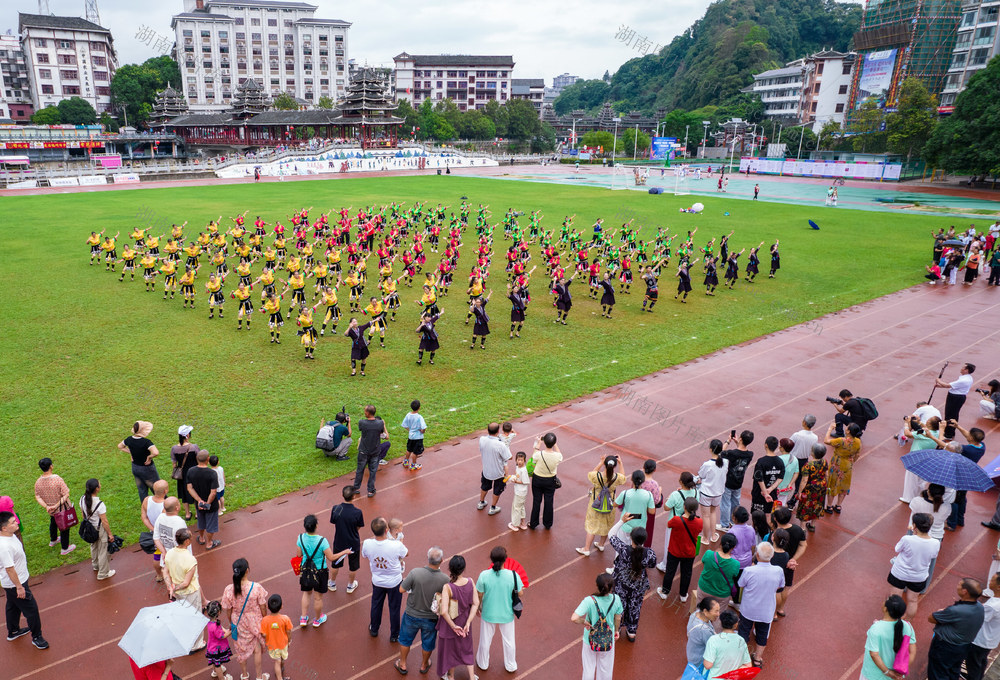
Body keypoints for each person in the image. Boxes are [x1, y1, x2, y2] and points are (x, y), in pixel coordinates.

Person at [396, 546, 449, 675]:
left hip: (411, 614)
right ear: (442, 560)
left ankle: (403, 664)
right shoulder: (445, 579)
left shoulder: (415, 573)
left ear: (428, 558)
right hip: (431, 618)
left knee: (405, 640)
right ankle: (424, 664)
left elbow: (401, 589)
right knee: (428, 643)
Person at [0, 511, 48, 650]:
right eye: (13, 522)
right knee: (31, 610)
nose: (17, 523)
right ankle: (37, 637)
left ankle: (13, 631)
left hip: (14, 583)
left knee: (12, 606)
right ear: (4, 528)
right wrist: (19, 587)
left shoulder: (10, 536)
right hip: (16, 584)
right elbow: (10, 569)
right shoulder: (4, 547)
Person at [296, 514, 351, 627]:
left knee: (306, 593)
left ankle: (303, 618)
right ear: (316, 526)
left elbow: (299, 554)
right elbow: (331, 557)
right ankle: (317, 620)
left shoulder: (300, 538)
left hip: (306, 570)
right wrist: (344, 552)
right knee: (318, 597)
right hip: (320, 571)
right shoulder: (322, 541)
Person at [736, 542, 784, 668]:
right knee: (762, 634)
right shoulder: (778, 571)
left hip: (748, 609)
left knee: (743, 631)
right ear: (772, 555)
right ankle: (757, 659)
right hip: (766, 610)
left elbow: (741, 584)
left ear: (757, 555)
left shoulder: (749, 570)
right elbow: (780, 586)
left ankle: (741, 657)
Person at [475, 546, 523, 673]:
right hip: (507, 613)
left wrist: (478, 607)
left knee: (485, 640)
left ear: (491, 559)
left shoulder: (484, 575)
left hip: (488, 612)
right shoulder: (513, 575)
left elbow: (479, 594)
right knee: (509, 641)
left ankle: (483, 663)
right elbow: (520, 593)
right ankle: (511, 665)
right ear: (505, 559)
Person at [927, 578, 985, 680]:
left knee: (938, 673)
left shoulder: (956, 610)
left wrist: (943, 612)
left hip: (945, 647)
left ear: (965, 591)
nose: (957, 586)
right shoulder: (980, 607)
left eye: (959, 585)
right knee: (953, 671)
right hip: (963, 647)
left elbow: (931, 618)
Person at [222, 558, 269, 680]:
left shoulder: (228, 589)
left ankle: (244, 675)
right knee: (257, 650)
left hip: (238, 622)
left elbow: (228, 609)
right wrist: (265, 619)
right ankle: (259, 677)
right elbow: (263, 606)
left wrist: (231, 622)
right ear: (247, 570)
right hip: (255, 622)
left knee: (241, 650)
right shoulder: (256, 587)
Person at [571, 573, 623, 680]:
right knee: (606, 669)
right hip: (608, 638)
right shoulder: (616, 599)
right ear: (611, 587)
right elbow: (618, 618)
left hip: (590, 639)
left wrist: (584, 622)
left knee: (588, 668)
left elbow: (574, 618)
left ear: (597, 586)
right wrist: (616, 631)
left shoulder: (589, 600)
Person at [363, 516, 408, 642]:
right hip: (394, 582)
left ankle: (374, 629)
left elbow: (365, 555)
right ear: (387, 530)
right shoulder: (396, 545)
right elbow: (406, 553)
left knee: (376, 605)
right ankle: (394, 635)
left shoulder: (367, 543)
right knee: (394, 608)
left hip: (377, 581)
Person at [888, 513, 940, 620]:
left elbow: (897, 549)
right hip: (919, 576)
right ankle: (907, 622)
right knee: (912, 600)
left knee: (895, 599)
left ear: (915, 526)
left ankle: (892, 621)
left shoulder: (907, 539)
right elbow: (933, 556)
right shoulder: (935, 543)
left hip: (900, 573)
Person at [609, 526, 657, 642]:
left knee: (619, 606)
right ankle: (632, 632)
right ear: (644, 539)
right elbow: (652, 565)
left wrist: (622, 521)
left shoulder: (624, 549)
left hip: (621, 584)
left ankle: (617, 628)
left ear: (631, 538)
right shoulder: (649, 553)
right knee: (635, 607)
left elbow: (611, 535)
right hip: (638, 585)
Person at [436, 555, 479, 680]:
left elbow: (444, 611)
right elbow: (475, 603)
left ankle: (451, 676)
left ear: (450, 569)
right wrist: (468, 622)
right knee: (467, 648)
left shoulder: (448, 587)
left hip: (451, 623)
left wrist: (454, 626)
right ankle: (472, 677)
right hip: (464, 621)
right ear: (464, 568)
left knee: (450, 650)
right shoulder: (470, 581)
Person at [576, 456, 627, 556]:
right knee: (607, 524)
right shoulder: (617, 478)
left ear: (605, 464)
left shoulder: (597, 476)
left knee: (592, 525)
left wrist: (600, 463)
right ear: (614, 466)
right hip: (609, 503)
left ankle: (586, 548)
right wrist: (621, 463)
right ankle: (601, 544)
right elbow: (623, 477)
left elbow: (591, 474)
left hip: (596, 502)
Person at [164, 529, 207, 650]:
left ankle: (186, 639)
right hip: (190, 593)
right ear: (187, 541)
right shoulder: (190, 559)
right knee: (196, 618)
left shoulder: (169, 553)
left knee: (184, 616)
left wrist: (170, 587)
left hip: (178, 594)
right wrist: (175, 588)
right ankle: (196, 644)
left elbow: (165, 571)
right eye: (191, 537)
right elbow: (186, 583)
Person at [657, 497, 702, 603]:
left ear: (684, 507)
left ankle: (665, 592)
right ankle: (683, 594)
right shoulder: (699, 521)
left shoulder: (677, 520)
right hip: (689, 553)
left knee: (670, 571)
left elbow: (669, 524)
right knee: (687, 573)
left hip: (674, 551)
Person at [861, 595, 916, 680]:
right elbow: (912, 651)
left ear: (885, 609)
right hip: (895, 675)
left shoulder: (876, 629)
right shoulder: (907, 626)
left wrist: (887, 672)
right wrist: (900, 672)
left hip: (873, 675)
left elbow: (874, 654)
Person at [33, 457, 74, 556]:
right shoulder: (57, 479)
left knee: (53, 522)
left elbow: (37, 496)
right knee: (64, 527)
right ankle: (65, 548)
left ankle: (53, 540)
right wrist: (56, 505)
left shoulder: (38, 482)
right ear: (51, 466)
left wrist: (47, 506)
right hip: (61, 508)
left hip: (51, 510)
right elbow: (66, 494)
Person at [659, 471, 700, 571]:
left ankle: (665, 565)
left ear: (681, 482)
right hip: (689, 522)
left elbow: (666, 508)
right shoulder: (696, 492)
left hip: (675, 523)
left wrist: (669, 498)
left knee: (669, 545)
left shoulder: (675, 495)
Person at [770, 507, 806, 616]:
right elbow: (803, 545)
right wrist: (793, 559)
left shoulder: (775, 534)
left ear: (775, 519)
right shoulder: (798, 530)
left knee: (776, 590)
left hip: (775, 562)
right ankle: (780, 609)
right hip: (789, 564)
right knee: (785, 587)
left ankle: (774, 613)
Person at [328, 485, 365, 593]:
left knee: (335, 563)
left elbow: (333, 521)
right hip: (353, 542)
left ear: (342, 495)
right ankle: (350, 585)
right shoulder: (357, 512)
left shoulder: (336, 509)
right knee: (353, 566)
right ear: (354, 496)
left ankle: (332, 583)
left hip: (339, 542)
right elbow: (358, 526)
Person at [966, 572, 1000, 680]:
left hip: (980, 640)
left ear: (999, 587)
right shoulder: (995, 602)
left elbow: (977, 617)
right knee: (981, 661)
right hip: (991, 640)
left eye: (992, 580)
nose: (990, 581)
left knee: (973, 665)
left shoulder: (993, 606)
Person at [81, 478, 115, 580]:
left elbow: (83, 514)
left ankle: (96, 565)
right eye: (99, 484)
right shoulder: (100, 504)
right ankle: (103, 573)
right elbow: (104, 522)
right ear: (97, 488)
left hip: (89, 527)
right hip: (99, 529)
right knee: (103, 550)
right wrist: (110, 534)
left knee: (94, 546)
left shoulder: (82, 499)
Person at [825, 422, 862, 515]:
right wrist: (852, 462)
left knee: (833, 484)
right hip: (847, 465)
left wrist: (830, 429)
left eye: (847, 427)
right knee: (844, 486)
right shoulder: (858, 442)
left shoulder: (841, 440)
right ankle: (838, 505)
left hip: (837, 464)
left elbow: (826, 441)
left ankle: (829, 506)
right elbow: (857, 455)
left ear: (848, 431)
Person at [720, 431, 754, 531]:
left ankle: (725, 524)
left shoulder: (732, 453)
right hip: (739, 483)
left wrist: (728, 441)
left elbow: (720, 452)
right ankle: (733, 520)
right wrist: (737, 443)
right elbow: (741, 452)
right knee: (735, 503)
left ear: (741, 439)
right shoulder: (750, 454)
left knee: (725, 503)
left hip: (728, 482)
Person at [118, 421, 160, 502]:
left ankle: (145, 508)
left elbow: (120, 446)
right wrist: (149, 457)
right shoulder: (146, 442)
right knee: (157, 488)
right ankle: (165, 506)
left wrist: (131, 452)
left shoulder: (129, 439)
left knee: (142, 490)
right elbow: (156, 453)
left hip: (135, 468)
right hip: (147, 469)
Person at [186, 451, 221, 550]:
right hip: (211, 505)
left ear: (197, 459)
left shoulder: (190, 471)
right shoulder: (212, 473)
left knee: (201, 522)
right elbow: (213, 492)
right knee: (211, 525)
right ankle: (209, 543)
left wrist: (199, 501)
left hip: (199, 504)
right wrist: (207, 504)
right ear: (208, 459)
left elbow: (189, 488)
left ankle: (201, 538)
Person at [703, 610, 751, 679]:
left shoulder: (713, 640)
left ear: (721, 623)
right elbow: (748, 665)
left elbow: (707, 665)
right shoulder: (741, 640)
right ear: (736, 625)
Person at [354, 405, 390, 498]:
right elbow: (384, 434)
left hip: (363, 451)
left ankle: (356, 488)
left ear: (368, 413)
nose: (364, 412)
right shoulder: (380, 423)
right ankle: (370, 490)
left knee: (360, 470)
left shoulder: (362, 422)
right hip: (375, 452)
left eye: (365, 411)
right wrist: (383, 424)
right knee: (373, 471)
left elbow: (361, 429)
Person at [529, 432, 563, 530]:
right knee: (549, 502)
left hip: (537, 479)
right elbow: (560, 455)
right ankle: (548, 524)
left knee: (536, 501)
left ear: (544, 442)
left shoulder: (539, 454)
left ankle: (533, 523)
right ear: (554, 443)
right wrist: (555, 444)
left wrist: (539, 443)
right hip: (550, 480)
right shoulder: (557, 456)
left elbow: (533, 458)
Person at [477, 422, 512, 515]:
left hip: (486, 470)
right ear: (498, 431)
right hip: (498, 473)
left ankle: (481, 502)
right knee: (497, 490)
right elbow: (509, 457)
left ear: (488, 430)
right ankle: (493, 508)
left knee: (484, 486)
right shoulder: (500, 445)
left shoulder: (482, 439)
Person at [697, 533, 740, 607]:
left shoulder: (708, 554)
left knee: (700, 610)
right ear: (733, 547)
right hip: (722, 594)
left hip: (704, 588)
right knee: (718, 613)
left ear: (720, 543)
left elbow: (704, 565)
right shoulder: (736, 564)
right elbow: (734, 575)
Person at [935, 363, 975, 439]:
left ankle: (948, 434)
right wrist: (940, 386)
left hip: (955, 398)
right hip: (957, 397)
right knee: (953, 414)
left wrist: (938, 381)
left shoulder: (964, 380)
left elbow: (947, 385)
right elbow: (955, 387)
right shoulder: (967, 377)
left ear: (966, 370)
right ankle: (949, 431)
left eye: (963, 367)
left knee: (950, 415)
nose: (961, 368)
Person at [686, 597, 722, 676]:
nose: (718, 614)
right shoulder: (704, 630)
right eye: (716, 611)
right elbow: (715, 648)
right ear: (705, 611)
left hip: (692, 653)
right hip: (699, 661)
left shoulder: (696, 613)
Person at [260, 594, 292, 680]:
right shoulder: (285, 619)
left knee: (277, 661)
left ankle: (280, 672)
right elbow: (288, 631)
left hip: (272, 646)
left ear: (268, 607)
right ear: (281, 606)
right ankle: (280, 674)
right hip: (283, 644)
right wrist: (289, 640)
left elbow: (263, 634)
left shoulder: (265, 620)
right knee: (281, 660)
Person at [750, 436, 785, 516]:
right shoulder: (780, 461)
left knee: (757, 516)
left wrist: (765, 493)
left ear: (766, 445)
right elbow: (780, 478)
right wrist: (770, 489)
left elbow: (759, 479)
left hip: (759, 494)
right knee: (769, 515)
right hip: (772, 494)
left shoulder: (761, 461)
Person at [141, 480, 168, 580]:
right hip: (165, 534)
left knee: (157, 555)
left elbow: (144, 518)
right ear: (165, 491)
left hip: (154, 533)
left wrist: (153, 530)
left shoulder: (146, 500)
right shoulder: (166, 505)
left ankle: (159, 575)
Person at [171, 425, 200, 520]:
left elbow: (174, 464)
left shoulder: (174, 448)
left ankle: (187, 514)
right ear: (187, 435)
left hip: (182, 474)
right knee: (195, 491)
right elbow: (199, 460)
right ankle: (197, 513)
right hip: (194, 473)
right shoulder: (194, 447)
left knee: (184, 493)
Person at [788, 415, 818, 500]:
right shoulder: (815, 437)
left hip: (792, 459)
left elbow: (788, 445)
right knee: (799, 482)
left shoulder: (797, 435)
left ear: (804, 422)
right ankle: (792, 502)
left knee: (785, 478)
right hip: (804, 461)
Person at [203, 600, 233, 679]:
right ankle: (222, 678)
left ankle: (215, 672)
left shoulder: (210, 622)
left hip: (212, 648)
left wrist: (226, 630)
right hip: (217, 648)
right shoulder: (215, 626)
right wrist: (231, 632)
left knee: (214, 662)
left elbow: (220, 627)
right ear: (219, 612)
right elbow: (221, 636)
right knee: (218, 665)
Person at [639, 459, 663, 548]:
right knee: (647, 530)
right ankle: (645, 549)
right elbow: (656, 500)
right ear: (654, 470)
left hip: (637, 507)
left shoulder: (638, 479)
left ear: (643, 467)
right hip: (648, 511)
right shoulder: (654, 484)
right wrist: (660, 491)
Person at [400, 400, 427, 471]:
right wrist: (422, 431)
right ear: (419, 407)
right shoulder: (419, 417)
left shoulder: (408, 415)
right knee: (415, 452)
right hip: (418, 437)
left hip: (411, 436)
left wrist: (410, 430)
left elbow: (404, 425)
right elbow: (424, 427)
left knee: (409, 449)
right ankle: (413, 465)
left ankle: (406, 461)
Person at [509, 452, 530, 531]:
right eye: (518, 460)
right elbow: (517, 475)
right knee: (521, 507)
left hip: (520, 492)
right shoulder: (518, 467)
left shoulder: (524, 470)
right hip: (519, 491)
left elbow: (526, 482)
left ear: (524, 460)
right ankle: (523, 523)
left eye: (521, 460)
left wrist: (515, 481)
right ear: (516, 460)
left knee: (516, 508)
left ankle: (515, 525)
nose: (520, 462)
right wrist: (514, 477)